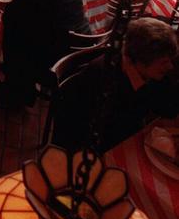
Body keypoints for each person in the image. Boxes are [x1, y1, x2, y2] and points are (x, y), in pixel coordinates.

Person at [52, 18, 179, 152]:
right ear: (141, 60)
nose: (170, 67)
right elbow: (85, 135)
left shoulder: (150, 74)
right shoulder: (102, 82)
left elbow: (169, 108)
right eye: (164, 62)